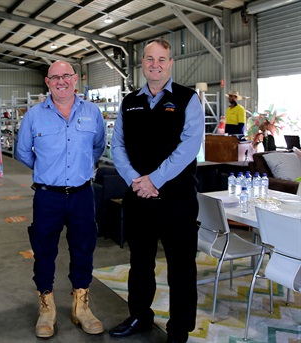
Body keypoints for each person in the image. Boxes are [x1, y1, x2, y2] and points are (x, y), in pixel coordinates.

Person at [108, 38, 204, 343]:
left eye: (162, 59)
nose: (155, 65)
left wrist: (154, 180)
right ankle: (140, 315)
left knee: (181, 268)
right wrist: (136, 180)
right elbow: (117, 145)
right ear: (143, 64)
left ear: (171, 63)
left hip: (177, 201)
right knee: (140, 263)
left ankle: (179, 329)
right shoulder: (129, 102)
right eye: (150, 59)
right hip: (139, 199)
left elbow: (188, 148)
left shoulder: (188, 100)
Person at [15, 60, 106, 338]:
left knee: (83, 249)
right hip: (47, 197)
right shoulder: (33, 115)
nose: (61, 81)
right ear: (47, 82)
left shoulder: (92, 112)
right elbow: (22, 153)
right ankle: (47, 308)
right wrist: (47, 169)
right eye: (55, 77)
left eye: (66, 76)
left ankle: (81, 307)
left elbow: (98, 146)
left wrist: (78, 168)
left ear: (75, 79)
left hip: (82, 195)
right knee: (44, 253)